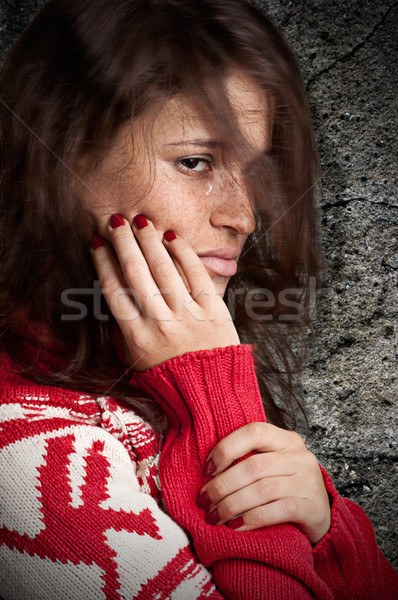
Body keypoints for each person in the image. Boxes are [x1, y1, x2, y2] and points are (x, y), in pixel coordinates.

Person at [0, 0, 396, 598]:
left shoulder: (136, 375)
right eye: (194, 161)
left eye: (256, 173)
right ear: (61, 160)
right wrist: (216, 402)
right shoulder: (26, 455)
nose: (243, 216)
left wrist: (328, 530)